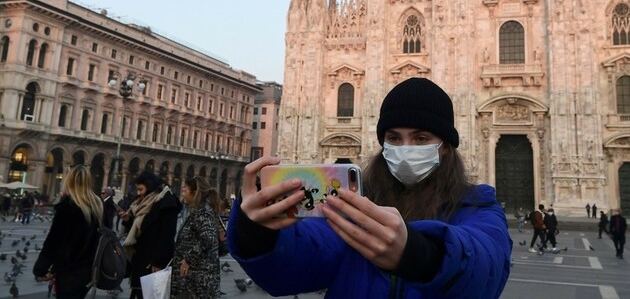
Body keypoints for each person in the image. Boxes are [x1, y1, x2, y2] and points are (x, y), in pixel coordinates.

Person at [227, 77, 512, 298]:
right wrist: (257, 233)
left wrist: (420, 254)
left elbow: (485, 267)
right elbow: (302, 257)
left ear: (446, 148)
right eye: (394, 138)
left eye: (421, 138)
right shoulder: (356, 206)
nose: (405, 148)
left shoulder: (477, 206)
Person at [33, 165, 103, 298]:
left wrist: (40, 269)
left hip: (68, 271)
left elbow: (53, 242)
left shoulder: (67, 207)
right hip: (87, 272)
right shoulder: (97, 207)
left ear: (69, 181)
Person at [119, 171, 182, 299]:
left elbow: (167, 235)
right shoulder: (143, 204)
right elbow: (142, 230)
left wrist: (158, 262)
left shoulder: (165, 203)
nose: (138, 193)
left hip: (154, 263)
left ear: (150, 186)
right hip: (141, 260)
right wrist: (128, 221)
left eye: (141, 189)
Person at [171, 176, 221, 299]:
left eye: (185, 191)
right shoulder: (199, 210)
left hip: (198, 280)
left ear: (195, 192)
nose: (183, 194)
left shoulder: (202, 212)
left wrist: (188, 259)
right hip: (196, 277)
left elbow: (208, 238)